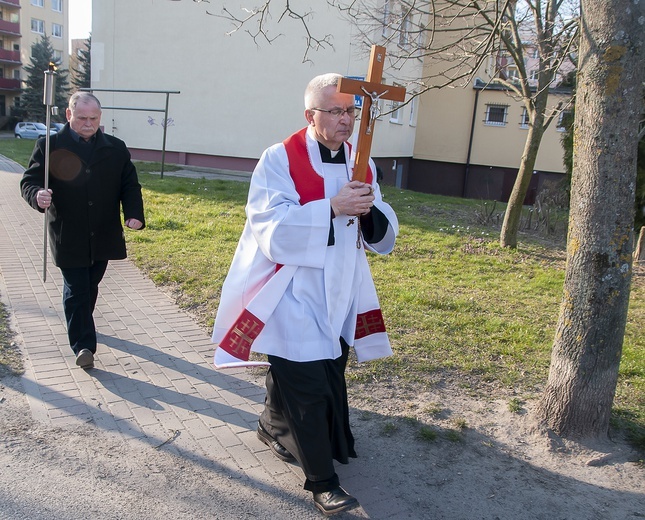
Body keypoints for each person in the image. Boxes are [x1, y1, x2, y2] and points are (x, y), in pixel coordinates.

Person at [212, 73, 398, 515]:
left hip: (343, 285)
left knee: (325, 367)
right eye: (334, 111)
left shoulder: (363, 161)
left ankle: (272, 426)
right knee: (308, 381)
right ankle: (322, 482)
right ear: (309, 115)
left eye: (350, 111)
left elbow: (380, 224)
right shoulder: (279, 158)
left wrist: (369, 212)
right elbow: (269, 226)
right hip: (292, 285)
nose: (345, 121)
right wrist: (332, 208)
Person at [20, 91, 145, 370]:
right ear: (68, 115)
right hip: (68, 231)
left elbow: (129, 184)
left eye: (93, 118)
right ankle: (84, 345)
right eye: (81, 118)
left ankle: (81, 323)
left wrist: (134, 213)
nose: (88, 123)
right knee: (76, 288)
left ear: (100, 117)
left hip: (102, 231)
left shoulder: (115, 148)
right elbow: (29, 181)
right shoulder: (49, 146)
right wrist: (37, 195)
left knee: (89, 286)